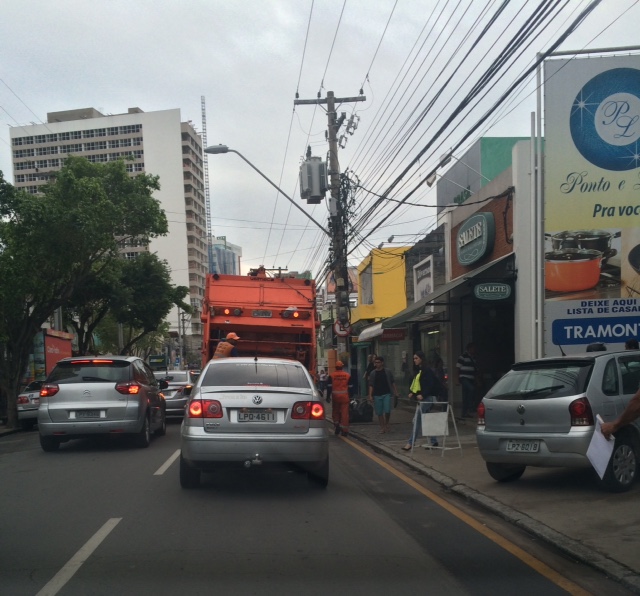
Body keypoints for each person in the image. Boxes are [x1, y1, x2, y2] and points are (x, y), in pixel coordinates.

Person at [402, 351, 445, 451]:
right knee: (426, 419)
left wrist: (422, 394)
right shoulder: (419, 370)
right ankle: (434, 441)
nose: (414, 360)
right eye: (414, 358)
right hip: (425, 398)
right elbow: (416, 384)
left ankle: (410, 443)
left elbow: (429, 384)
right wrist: (413, 393)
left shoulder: (427, 370)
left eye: (416, 358)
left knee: (417, 419)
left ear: (421, 359)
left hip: (428, 398)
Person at [367, 355, 399, 434]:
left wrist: (396, 392)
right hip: (377, 395)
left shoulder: (387, 371)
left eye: (378, 362)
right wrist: (370, 395)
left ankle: (386, 422)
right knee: (379, 412)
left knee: (387, 410)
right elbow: (371, 385)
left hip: (386, 393)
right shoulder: (373, 373)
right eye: (375, 362)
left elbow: (392, 382)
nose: (377, 364)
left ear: (382, 363)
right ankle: (382, 427)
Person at [326, 361, 353, 437]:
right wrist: (351, 396)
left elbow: (329, 387)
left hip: (335, 397)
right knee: (345, 414)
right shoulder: (347, 375)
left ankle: (336, 424)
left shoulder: (331, 376)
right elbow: (350, 387)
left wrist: (328, 397)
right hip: (345, 397)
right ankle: (345, 430)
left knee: (335, 412)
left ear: (336, 367)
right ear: (342, 367)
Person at [456, 342, 478, 418]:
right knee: (471, 389)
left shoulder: (473, 358)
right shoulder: (463, 357)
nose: (474, 350)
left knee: (465, 395)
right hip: (464, 378)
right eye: (473, 348)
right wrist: (457, 379)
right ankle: (470, 408)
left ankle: (464, 413)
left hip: (471, 378)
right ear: (469, 349)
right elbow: (457, 368)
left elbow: (475, 370)